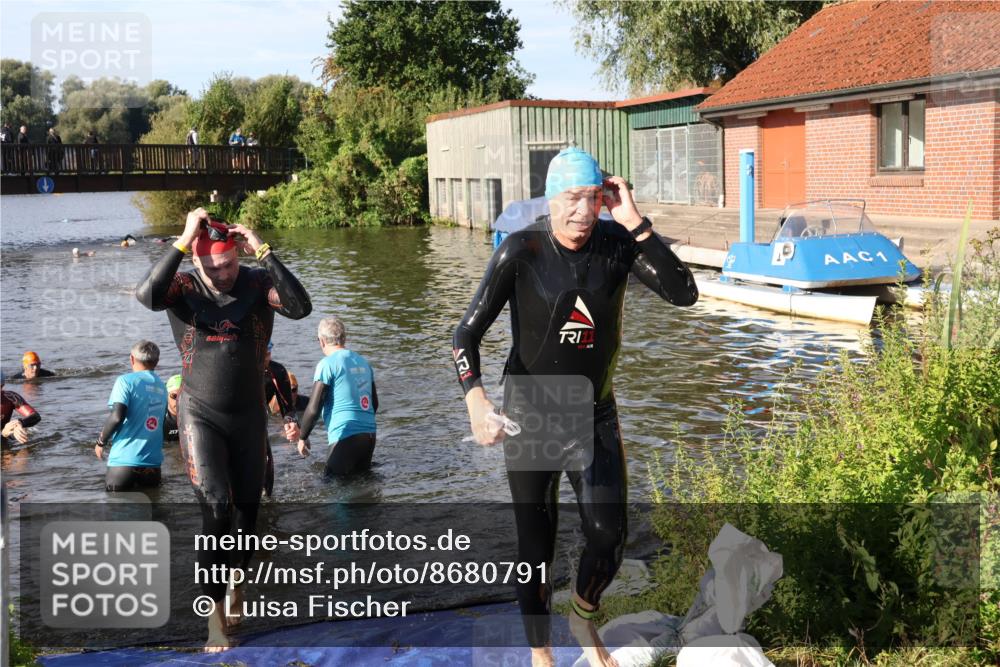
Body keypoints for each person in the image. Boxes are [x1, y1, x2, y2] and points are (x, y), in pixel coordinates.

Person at [452, 146, 698, 667]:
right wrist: (476, 399)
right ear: (549, 198)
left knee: (609, 537)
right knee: (535, 548)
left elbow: (684, 294)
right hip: (530, 415)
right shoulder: (521, 251)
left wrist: (635, 221)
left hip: (594, 413)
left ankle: (583, 614)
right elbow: (465, 334)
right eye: (570, 199)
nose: (582, 212)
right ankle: (541, 653)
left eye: (591, 199)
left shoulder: (617, 243)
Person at [135, 208, 311, 650]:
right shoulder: (183, 286)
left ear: (238, 254)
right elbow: (147, 295)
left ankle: (237, 582)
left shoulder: (255, 281)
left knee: (246, 517)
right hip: (201, 415)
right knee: (215, 512)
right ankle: (213, 620)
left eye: (230, 263)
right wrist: (183, 240)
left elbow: (300, 307)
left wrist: (264, 250)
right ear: (196, 262)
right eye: (213, 267)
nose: (223, 274)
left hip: (249, 416)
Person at [296, 317, 378, 477]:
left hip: (345, 435)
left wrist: (302, 437)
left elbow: (314, 408)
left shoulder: (327, 364)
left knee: (333, 488)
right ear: (344, 338)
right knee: (361, 487)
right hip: (369, 436)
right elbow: (374, 404)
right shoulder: (363, 362)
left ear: (321, 341)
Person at [95, 341, 167, 492]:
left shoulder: (125, 381)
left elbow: (116, 417)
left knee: (119, 512)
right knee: (152, 513)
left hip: (124, 463)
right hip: (153, 466)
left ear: (132, 359)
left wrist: (101, 442)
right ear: (156, 361)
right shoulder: (162, 387)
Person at [263, 340, 298, 497]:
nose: (266, 358)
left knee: (266, 486)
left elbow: (288, 410)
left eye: (268, 353)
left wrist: (290, 423)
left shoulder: (276, 371)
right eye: (262, 354)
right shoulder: (236, 368)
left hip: (258, 427)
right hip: (233, 425)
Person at [2, 371, 40, 447]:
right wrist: (3, 433)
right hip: (3, 434)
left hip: (5, 435)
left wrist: (19, 423)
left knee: (25, 447)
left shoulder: (11, 397)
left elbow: (35, 416)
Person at [163, 374, 182, 444]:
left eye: (182, 395)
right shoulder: (160, 418)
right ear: (166, 396)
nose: (178, 400)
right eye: (174, 396)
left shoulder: (195, 415)